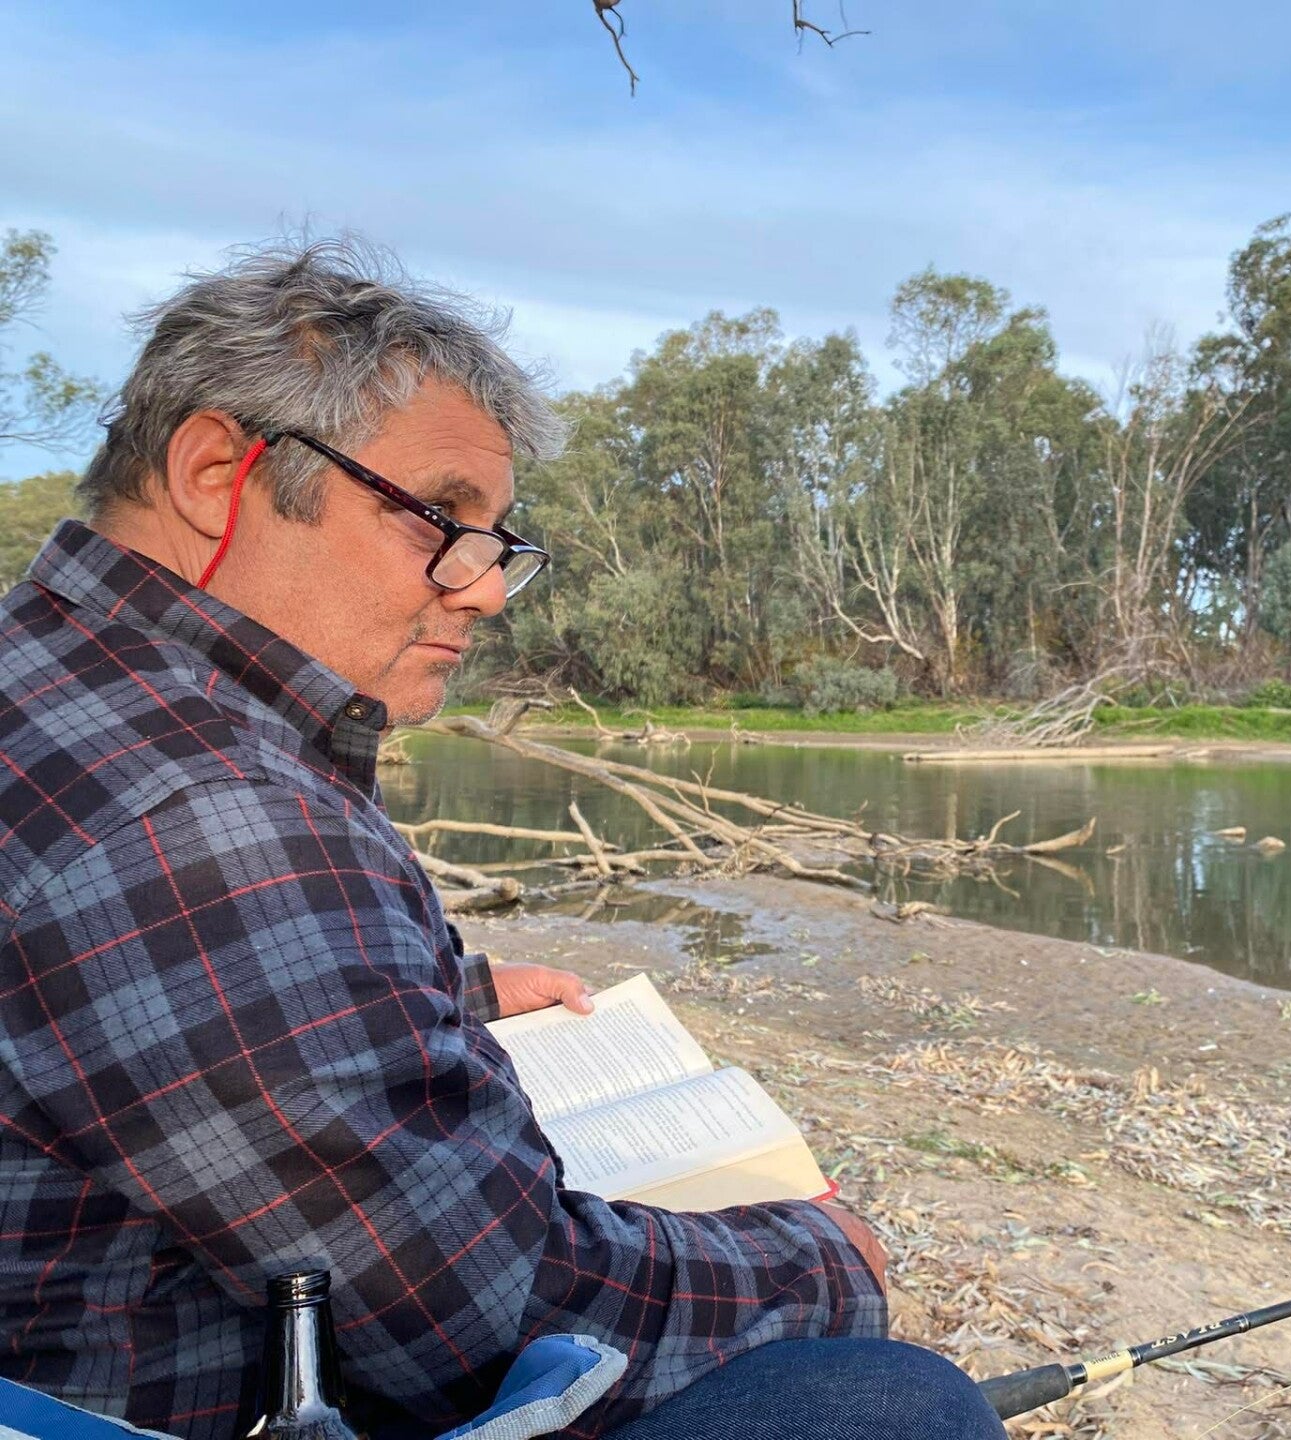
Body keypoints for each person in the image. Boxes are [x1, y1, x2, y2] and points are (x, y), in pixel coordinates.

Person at [0, 239, 1006, 1440]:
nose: (480, 587)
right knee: (893, 1404)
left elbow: (135, 997)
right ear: (218, 473)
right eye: (442, 517)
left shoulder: (56, 682)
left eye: (496, 543)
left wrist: (446, 994)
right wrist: (825, 1258)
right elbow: (487, 1312)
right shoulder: (199, 811)